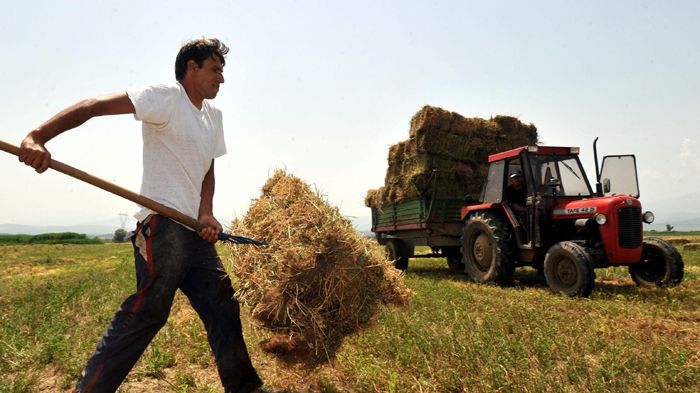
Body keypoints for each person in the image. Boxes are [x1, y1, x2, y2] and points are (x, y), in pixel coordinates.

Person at [19, 38, 276, 393]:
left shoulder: (213, 117)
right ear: (192, 67)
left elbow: (208, 170)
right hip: (162, 225)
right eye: (215, 69)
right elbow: (93, 106)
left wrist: (206, 212)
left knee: (222, 304)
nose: (222, 79)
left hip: (193, 230)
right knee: (149, 312)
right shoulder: (166, 97)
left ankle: (246, 388)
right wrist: (37, 136)